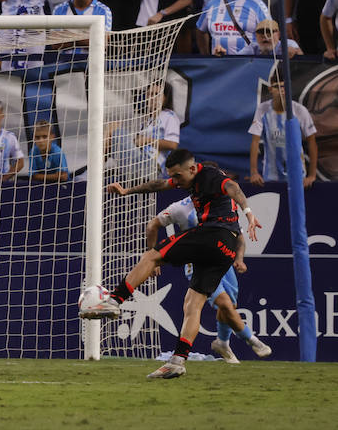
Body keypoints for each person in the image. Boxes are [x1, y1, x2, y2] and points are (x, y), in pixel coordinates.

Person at [90, 148, 262, 380]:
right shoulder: (190, 180)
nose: (176, 181)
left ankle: (113, 301)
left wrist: (249, 212)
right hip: (225, 249)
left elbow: (234, 188)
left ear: (192, 168)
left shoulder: (210, 175)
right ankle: (178, 361)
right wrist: (127, 190)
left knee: (151, 256)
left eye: (178, 176)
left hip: (212, 234)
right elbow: (158, 185)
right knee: (193, 304)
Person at [146, 197, 271, 364]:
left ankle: (222, 343)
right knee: (225, 304)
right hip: (197, 265)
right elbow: (153, 224)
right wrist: (152, 258)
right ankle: (252, 340)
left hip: (223, 261)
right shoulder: (182, 208)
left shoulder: (222, 204)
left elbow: (239, 237)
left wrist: (239, 259)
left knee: (229, 307)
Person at [248, 77, 319, 188]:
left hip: (298, 176)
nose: (281, 90)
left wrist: (312, 175)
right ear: (271, 89)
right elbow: (255, 141)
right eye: (277, 86)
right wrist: (254, 172)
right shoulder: (262, 109)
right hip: (270, 176)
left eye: (284, 86)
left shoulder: (299, 110)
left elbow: (312, 142)